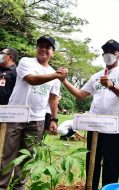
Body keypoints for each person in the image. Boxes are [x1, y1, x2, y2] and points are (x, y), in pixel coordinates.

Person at [60, 39, 119, 190]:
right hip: (94, 126)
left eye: (113, 51)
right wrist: (64, 81)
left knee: (111, 165)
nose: (109, 54)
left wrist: (111, 85)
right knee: (91, 161)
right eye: (106, 51)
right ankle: (90, 187)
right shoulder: (96, 76)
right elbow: (81, 94)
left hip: (114, 128)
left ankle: (109, 188)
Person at [0, 35, 67, 190]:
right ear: (36, 48)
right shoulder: (26, 62)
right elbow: (31, 79)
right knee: (8, 153)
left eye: (48, 47)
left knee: (27, 157)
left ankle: (19, 187)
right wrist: (57, 75)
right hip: (16, 115)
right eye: (40, 45)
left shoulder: (53, 74)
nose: (43, 49)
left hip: (37, 119)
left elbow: (53, 99)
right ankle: (2, 186)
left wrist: (54, 119)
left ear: (53, 52)